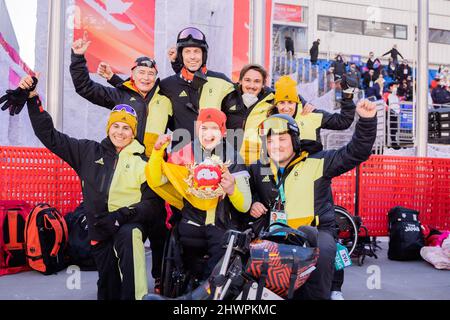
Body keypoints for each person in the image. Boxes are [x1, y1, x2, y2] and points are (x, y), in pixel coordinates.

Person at [16, 75, 167, 300]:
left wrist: (122, 215)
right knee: (108, 291)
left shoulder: (143, 162)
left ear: (133, 133)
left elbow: (153, 205)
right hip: (99, 232)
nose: (120, 132)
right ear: (108, 128)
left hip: (127, 227)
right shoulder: (88, 152)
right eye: (116, 125)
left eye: (126, 128)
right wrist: (32, 99)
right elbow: (50, 136)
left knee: (130, 235)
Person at [248, 99, 378, 300]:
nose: (275, 146)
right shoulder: (259, 167)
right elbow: (250, 192)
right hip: (275, 232)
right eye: (270, 141)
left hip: (315, 232)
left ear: (294, 140)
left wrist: (367, 121)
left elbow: (356, 152)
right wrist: (253, 203)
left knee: (323, 252)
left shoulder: (318, 161)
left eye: (282, 140)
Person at [146, 108, 251, 280]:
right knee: (186, 244)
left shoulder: (233, 157)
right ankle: (194, 282)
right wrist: (158, 152)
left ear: (222, 132)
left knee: (221, 244)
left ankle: (205, 287)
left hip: (221, 224)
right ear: (197, 129)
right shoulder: (183, 153)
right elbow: (158, 180)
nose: (208, 134)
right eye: (204, 128)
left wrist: (232, 189)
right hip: (191, 221)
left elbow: (245, 205)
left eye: (214, 128)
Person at [70, 32, 170, 156]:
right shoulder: (120, 96)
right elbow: (85, 87)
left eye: (151, 73)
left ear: (155, 78)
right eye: (141, 72)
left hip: (154, 166)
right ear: (132, 75)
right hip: (124, 165)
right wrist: (78, 58)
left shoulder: (166, 100)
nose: (146, 77)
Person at [269, 75, 357, 143]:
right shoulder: (268, 120)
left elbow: (343, 122)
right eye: (282, 102)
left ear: (296, 102)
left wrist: (347, 96)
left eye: (290, 102)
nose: (286, 108)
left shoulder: (311, 114)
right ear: (276, 104)